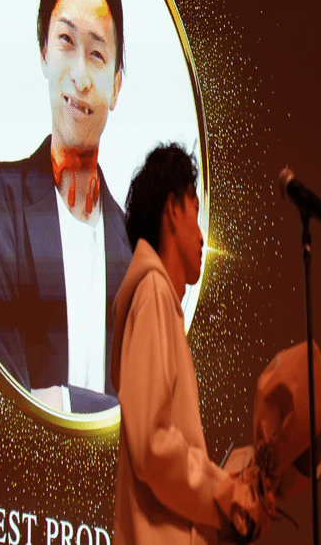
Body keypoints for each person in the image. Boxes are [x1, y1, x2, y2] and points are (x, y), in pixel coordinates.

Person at [0, 0, 131, 413]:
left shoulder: (135, 246)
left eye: (98, 54)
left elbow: (145, 419)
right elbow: (11, 401)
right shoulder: (1, 201)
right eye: (66, 40)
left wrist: (61, 400)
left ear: (116, 86)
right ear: (43, 51)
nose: (80, 76)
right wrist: (99, 409)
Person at [111, 144, 270, 545]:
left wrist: (228, 489)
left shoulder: (158, 301)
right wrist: (225, 492)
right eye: (195, 212)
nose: (202, 237)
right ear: (172, 208)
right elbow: (152, 444)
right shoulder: (152, 293)